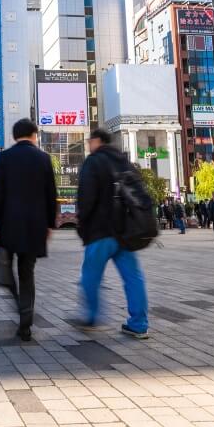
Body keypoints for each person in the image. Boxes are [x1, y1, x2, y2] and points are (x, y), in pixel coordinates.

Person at [0, 118, 57, 342]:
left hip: (9, 224)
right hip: (35, 226)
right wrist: (49, 225)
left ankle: (19, 303)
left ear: (15, 135)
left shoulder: (5, 157)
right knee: (27, 272)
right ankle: (25, 322)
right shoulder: (43, 158)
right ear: (34, 134)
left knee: (6, 269)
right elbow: (50, 194)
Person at [76, 129, 150, 339]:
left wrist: (83, 226)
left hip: (100, 232)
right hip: (125, 233)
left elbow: (86, 199)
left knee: (90, 276)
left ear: (97, 141)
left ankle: (91, 318)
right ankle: (139, 324)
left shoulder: (93, 162)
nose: (89, 144)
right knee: (133, 278)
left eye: (90, 141)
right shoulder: (124, 162)